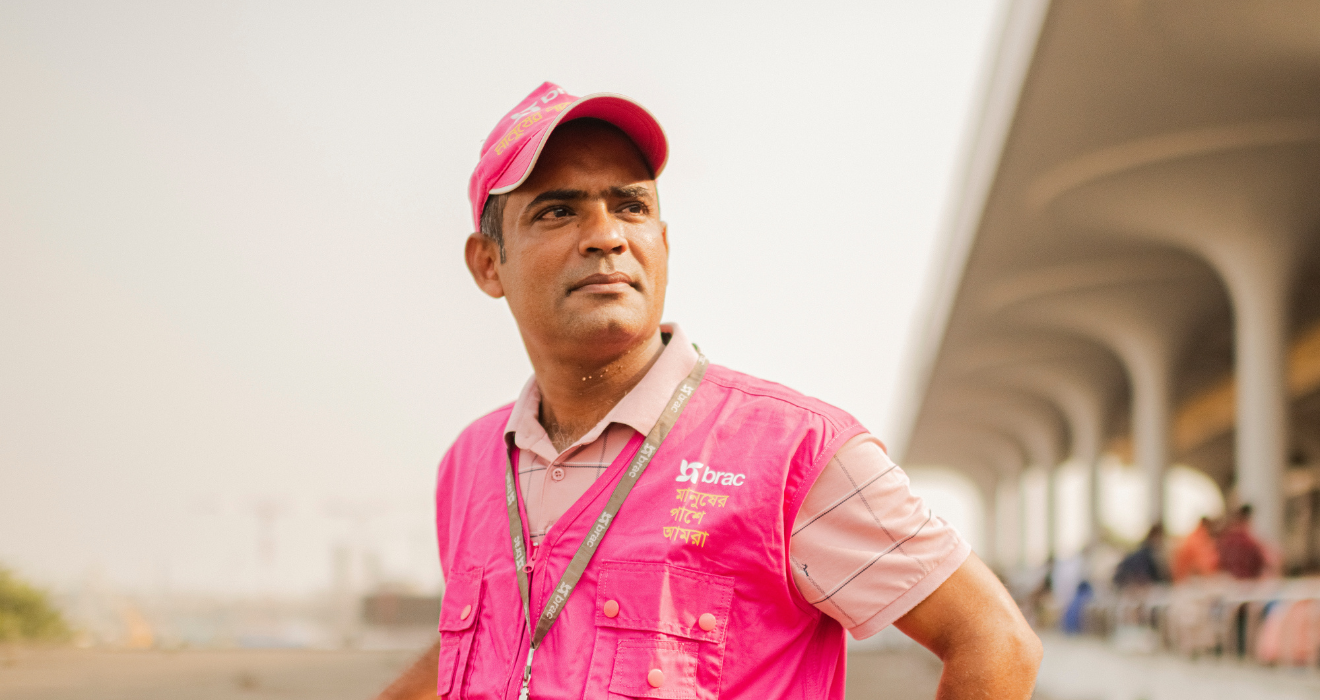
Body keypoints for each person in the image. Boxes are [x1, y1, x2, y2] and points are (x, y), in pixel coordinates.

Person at [375, 83, 1041, 700]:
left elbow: (996, 642)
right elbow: (496, 638)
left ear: (660, 243)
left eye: (630, 207)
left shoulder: (794, 454)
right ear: (489, 264)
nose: (606, 237)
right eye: (558, 211)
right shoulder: (471, 463)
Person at [1217, 505, 1267, 580]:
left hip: (1230, 581)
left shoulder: (1226, 540)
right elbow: (1261, 561)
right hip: (1247, 582)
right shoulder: (1249, 540)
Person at [1112, 524, 1169, 589]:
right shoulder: (1144, 555)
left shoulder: (1148, 553)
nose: (1161, 541)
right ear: (1154, 536)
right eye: (1160, 537)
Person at [1171, 516, 1219, 582]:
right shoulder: (1197, 538)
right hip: (1187, 579)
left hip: (1190, 577)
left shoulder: (1196, 536)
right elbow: (1202, 562)